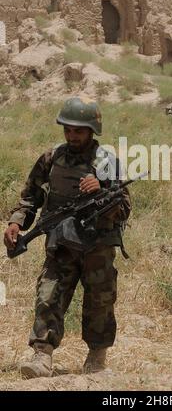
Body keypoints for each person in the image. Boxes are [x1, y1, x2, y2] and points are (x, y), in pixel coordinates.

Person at [3, 96, 131, 378]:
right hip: (61, 242)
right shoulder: (52, 158)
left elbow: (124, 209)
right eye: (68, 130)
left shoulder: (107, 162)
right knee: (48, 296)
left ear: (92, 130)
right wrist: (16, 223)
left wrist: (101, 190)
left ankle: (97, 357)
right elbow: (29, 198)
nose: (72, 136)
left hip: (97, 245)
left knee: (100, 300)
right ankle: (42, 356)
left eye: (79, 131)